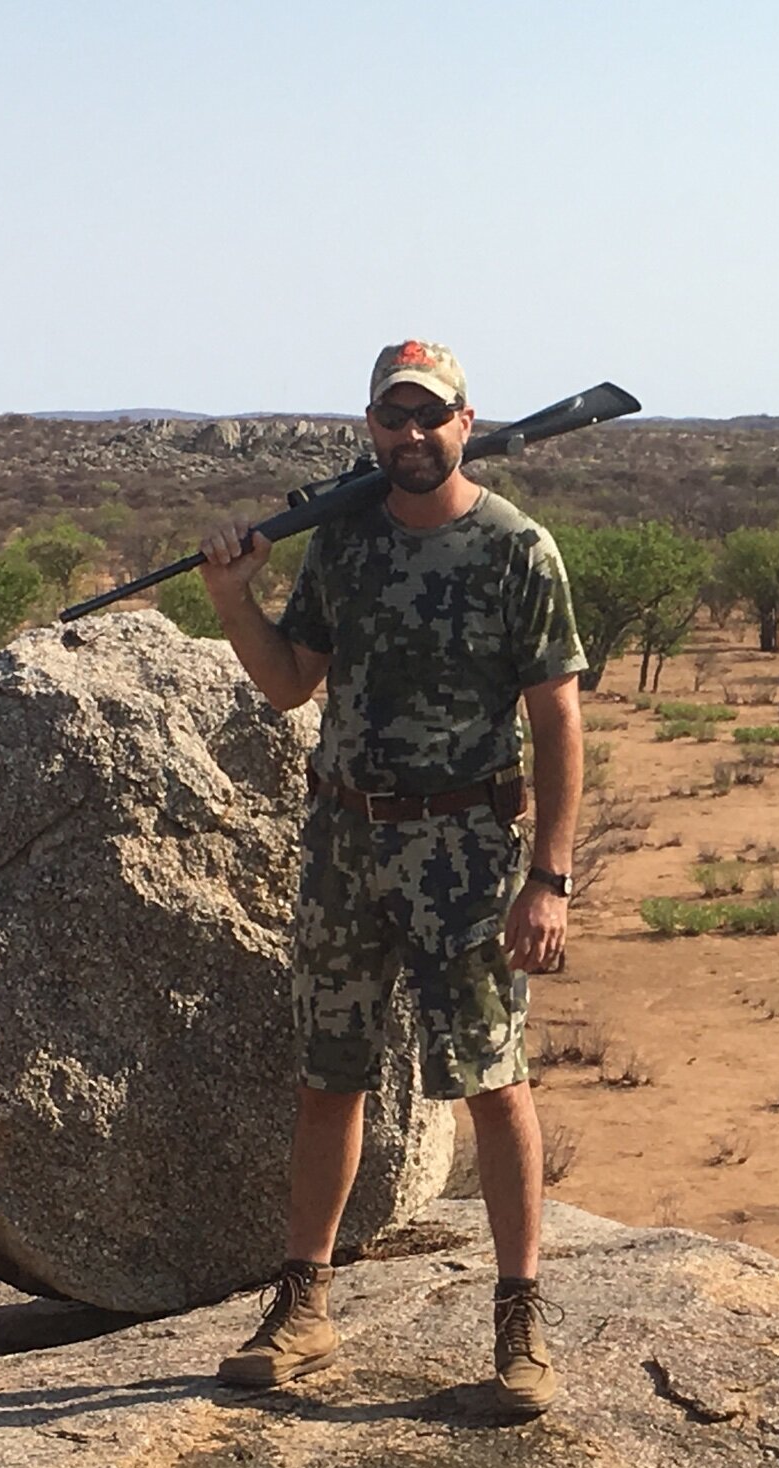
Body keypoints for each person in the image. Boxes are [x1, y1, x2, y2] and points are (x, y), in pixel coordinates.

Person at [196, 339, 585, 1413]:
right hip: (344, 845)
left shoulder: (516, 549)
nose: (409, 437)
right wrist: (235, 599)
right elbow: (286, 685)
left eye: (430, 416)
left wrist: (547, 877)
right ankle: (303, 1308)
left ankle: (518, 1324)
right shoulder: (345, 545)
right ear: (369, 428)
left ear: (466, 421)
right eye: (390, 419)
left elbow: (557, 718)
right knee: (330, 1079)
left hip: (464, 855)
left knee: (493, 1084)